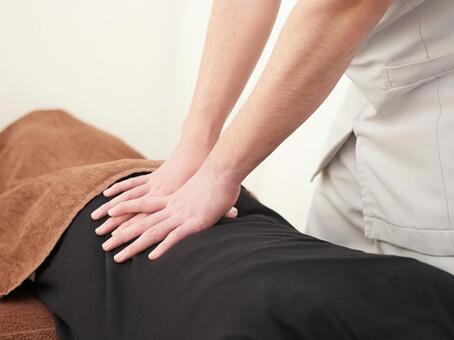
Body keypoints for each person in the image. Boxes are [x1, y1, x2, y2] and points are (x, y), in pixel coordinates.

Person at [91, 0, 454, 275]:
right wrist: (197, 142)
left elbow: (341, 7)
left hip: (435, 152)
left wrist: (219, 174)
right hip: (365, 127)